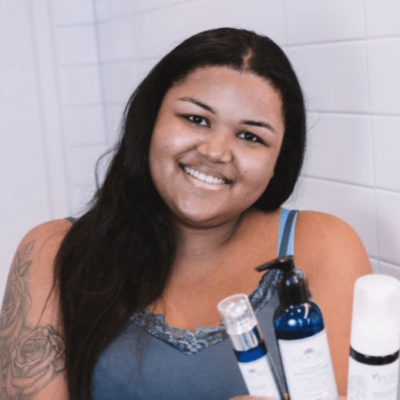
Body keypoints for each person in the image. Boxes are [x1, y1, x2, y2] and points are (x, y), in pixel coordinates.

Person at [0, 27, 371, 400]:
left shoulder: (323, 245)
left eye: (251, 136)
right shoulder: (50, 251)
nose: (215, 152)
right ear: (150, 120)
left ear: (279, 161)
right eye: (196, 119)